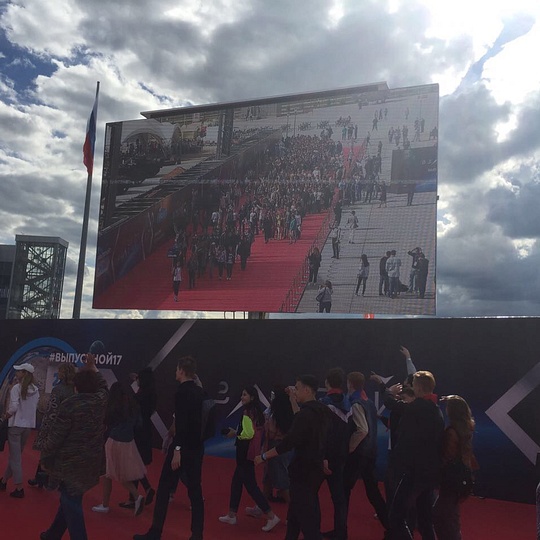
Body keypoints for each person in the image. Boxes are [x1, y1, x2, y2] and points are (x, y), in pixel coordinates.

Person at [39, 348, 109, 540]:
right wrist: (93, 366)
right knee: (71, 498)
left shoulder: (70, 405)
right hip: (91, 462)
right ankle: (52, 535)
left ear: (76, 387)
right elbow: (104, 387)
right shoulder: (100, 401)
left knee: (71, 502)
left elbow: (56, 438)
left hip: (70, 464)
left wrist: (45, 457)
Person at [134, 356, 205, 540]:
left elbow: (182, 424)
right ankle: (197, 534)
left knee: (164, 489)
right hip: (196, 448)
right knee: (195, 491)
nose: (175, 372)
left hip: (182, 448)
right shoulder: (200, 392)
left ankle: (155, 532)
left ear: (181, 370)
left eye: (176, 369)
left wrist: (177, 450)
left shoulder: (182, 393)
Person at [255, 375, 331, 540]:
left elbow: (288, 443)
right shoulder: (322, 410)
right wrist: (292, 400)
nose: (294, 391)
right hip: (315, 469)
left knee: (307, 523)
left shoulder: (306, 415)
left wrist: (264, 456)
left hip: (303, 470)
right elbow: (301, 419)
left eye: (297, 388)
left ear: (307, 390)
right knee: (295, 518)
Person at [386, 371, 444, 540]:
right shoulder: (436, 411)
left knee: (396, 516)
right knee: (425, 520)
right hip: (430, 472)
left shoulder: (416, 408)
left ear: (417, 387)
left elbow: (392, 404)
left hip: (414, 471)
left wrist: (388, 392)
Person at [218, 386, 280, 533]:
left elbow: (248, 434)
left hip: (245, 452)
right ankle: (232, 514)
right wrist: (237, 433)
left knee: (251, 486)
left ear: (252, 397)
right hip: (251, 452)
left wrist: (236, 434)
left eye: (245, 395)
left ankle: (271, 516)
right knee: (237, 482)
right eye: (242, 394)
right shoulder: (257, 412)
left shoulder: (247, 412)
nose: (242, 397)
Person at [92, 382, 147, 516]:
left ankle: (109, 503)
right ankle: (131, 497)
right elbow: (139, 424)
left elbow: (105, 422)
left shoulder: (114, 406)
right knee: (116, 472)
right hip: (129, 442)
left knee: (110, 472)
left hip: (114, 440)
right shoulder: (134, 406)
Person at [343, 372, 388, 537]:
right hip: (370, 452)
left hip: (358, 454)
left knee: (344, 490)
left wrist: (349, 447)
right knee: (372, 491)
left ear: (350, 384)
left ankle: (340, 530)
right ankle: (391, 526)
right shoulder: (368, 402)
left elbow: (362, 430)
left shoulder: (356, 403)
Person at [433, 395, 478, 540]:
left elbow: (448, 456)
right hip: (462, 478)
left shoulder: (452, 432)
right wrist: (452, 399)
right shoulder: (466, 428)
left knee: (445, 518)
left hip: (451, 480)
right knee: (450, 516)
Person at [30, 363, 77, 490]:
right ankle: (50, 481)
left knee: (46, 453)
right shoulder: (74, 390)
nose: (58, 373)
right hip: (68, 426)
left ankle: (42, 479)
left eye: (60, 371)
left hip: (53, 426)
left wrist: (47, 427)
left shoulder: (58, 389)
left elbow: (52, 410)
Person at [320, 368, 351, 540]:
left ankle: (311, 531)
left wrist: (324, 457)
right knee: (339, 499)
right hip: (342, 456)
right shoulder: (349, 404)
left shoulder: (325, 404)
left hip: (324, 457)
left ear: (327, 383)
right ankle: (341, 533)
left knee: (308, 493)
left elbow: (324, 434)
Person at [0, 362, 40, 498]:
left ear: (24, 373)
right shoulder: (36, 390)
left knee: (15, 458)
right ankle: (4, 481)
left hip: (15, 426)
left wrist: (5, 416)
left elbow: (13, 407)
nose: (17, 373)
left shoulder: (16, 388)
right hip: (27, 426)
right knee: (15, 456)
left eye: (19, 371)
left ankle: (19, 487)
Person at [119, 368, 157, 509]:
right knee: (136, 463)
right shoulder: (151, 394)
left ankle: (137, 495)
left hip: (137, 432)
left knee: (133, 463)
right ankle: (139, 493)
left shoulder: (139, 397)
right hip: (146, 431)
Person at [262, 387, 294, 504]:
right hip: (284, 446)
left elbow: (271, 432)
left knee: (280, 479)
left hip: (276, 446)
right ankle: (263, 503)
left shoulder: (275, 414)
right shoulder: (289, 411)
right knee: (269, 475)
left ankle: (294, 508)